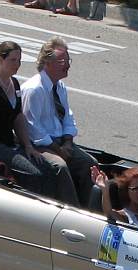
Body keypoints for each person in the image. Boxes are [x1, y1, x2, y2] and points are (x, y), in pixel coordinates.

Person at [0, 41, 76, 200]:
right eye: (13, 60)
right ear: (0, 60)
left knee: (46, 167)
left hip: (7, 142)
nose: (17, 64)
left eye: (19, 60)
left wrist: (28, 146)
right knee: (35, 174)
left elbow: (18, 117)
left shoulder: (14, 83)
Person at [21, 37, 98, 206]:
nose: (67, 65)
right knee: (60, 167)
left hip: (61, 143)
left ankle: (92, 208)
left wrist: (68, 142)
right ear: (47, 62)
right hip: (42, 145)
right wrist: (58, 149)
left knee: (89, 164)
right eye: (62, 61)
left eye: (68, 59)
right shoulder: (34, 89)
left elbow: (67, 117)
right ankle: (72, 209)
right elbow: (33, 128)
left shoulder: (60, 87)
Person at [91, 167, 138, 233]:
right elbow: (109, 213)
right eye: (136, 189)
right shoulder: (124, 217)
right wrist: (105, 189)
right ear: (126, 191)